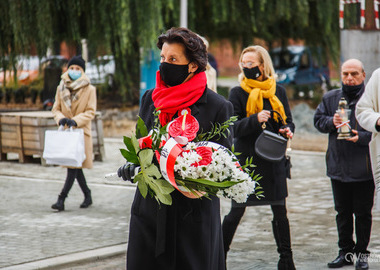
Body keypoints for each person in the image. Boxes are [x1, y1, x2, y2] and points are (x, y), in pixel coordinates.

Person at [118, 27, 233, 270]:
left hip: (192, 216)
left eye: (173, 59)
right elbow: (143, 147)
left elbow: (224, 164)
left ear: (192, 65)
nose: (164, 64)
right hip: (150, 212)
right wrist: (134, 166)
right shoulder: (150, 99)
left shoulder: (217, 106)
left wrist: (191, 172)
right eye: (163, 58)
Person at [222, 45, 295, 270]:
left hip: (273, 159)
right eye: (243, 63)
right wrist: (255, 119)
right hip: (248, 162)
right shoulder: (237, 92)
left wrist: (287, 129)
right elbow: (231, 127)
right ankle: (217, 256)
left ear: (262, 66)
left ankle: (286, 260)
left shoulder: (278, 91)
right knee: (236, 210)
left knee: (280, 212)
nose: (246, 67)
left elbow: (288, 120)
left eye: (251, 63)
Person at [314, 59, 373, 270]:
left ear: (363, 75)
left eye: (354, 74)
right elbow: (318, 120)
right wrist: (332, 122)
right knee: (342, 213)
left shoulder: (372, 98)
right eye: (346, 73)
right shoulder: (331, 97)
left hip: (364, 167)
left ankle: (362, 254)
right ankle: (345, 253)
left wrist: (363, 137)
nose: (349, 78)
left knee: (363, 213)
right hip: (338, 166)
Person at [51, 55, 97, 211]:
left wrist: (75, 120)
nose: (74, 71)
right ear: (67, 69)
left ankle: (61, 199)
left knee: (73, 166)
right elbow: (55, 108)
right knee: (75, 166)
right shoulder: (61, 87)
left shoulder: (90, 89)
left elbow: (91, 111)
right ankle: (88, 194)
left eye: (78, 69)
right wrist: (61, 119)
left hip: (81, 133)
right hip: (67, 133)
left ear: (83, 71)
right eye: (72, 68)